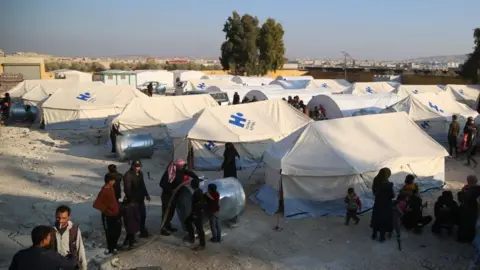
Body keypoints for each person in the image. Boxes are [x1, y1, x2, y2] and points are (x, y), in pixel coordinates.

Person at [159, 158, 199, 236]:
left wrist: (195, 177)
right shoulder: (169, 173)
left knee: (171, 212)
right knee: (166, 212)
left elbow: (188, 172)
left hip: (175, 195)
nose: (182, 167)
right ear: (176, 166)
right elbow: (161, 184)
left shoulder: (181, 170)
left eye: (183, 166)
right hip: (167, 196)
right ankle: (163, 229)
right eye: (181, 166)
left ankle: (168, 226)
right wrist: (171, 190)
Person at [9, 225, 78, 270]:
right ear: (43, 241)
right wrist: (72, 256)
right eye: (49, 236)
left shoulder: (20, 255)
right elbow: (71, 264)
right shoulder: (51, 255)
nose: (51, 238)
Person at [50, 205, 87, 270]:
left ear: (68, 217)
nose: (60, 221)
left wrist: (84, 267)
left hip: (71, 265)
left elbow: (80, 248)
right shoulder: (50, 230)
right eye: (58, 218)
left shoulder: (74, 230)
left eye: (64, 218)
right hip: (55, 265)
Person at [93, 177, 122, 255]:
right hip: (109, 216)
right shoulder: (104, 190)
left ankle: (114, 245)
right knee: (111, 232)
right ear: (110, 181)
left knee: (117, 230)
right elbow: (96, 204)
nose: (114, 182)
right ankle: (111, 248)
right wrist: (107, 210)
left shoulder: (110, 188)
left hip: (115, 214)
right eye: (113, 180)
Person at [123, 160, 150, 238]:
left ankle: (142, 231)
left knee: (143, 216)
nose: (138, 168)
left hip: (140, 198)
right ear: (132, 166)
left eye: (139, 167)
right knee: (134, 218)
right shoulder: (128, 175)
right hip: (133, 200)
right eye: (136, 167)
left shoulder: (140, 174)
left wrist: (146, 194)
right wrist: (131, 199)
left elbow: (142, 184)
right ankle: (131, 237)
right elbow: (127, 189)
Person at [370, 167, 394, 242]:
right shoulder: (388, 184)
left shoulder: (376, 180)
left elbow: (374, 191)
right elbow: (392, 195)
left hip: (378, 203)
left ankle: (374, 234)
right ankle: (382, 237)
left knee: (376, 218)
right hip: (386, 205)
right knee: (384, 220)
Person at [183, 178, 206, 250]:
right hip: (196, 212)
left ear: (192, 186)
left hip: (197, 213)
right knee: (187, 222)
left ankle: (202, 244)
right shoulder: (199, 191)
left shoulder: (197, 193)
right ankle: (192, 238)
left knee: (199, 228)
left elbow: (200, 204)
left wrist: (195, 213)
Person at [457, 175, 480, 243]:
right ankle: (469, 238)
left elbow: (460, 199)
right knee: (471, 224)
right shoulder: (477, 188)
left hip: (466, 209)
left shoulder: (466, 188)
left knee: (464, 223)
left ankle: (462, 238)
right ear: (476, 181)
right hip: (473, 209)